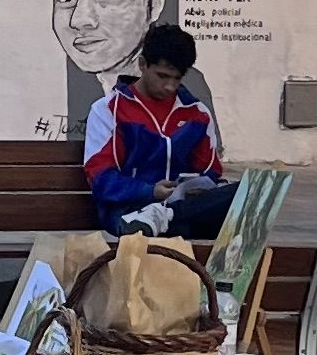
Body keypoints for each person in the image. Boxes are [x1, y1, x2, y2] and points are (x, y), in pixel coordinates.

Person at [85, 20, 232, 237]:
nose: (170, 86)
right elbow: (102, 179)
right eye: (163, 76)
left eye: (177, 78)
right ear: (143, 64)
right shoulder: (109, 110)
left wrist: (197, 187)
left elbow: (210, 172)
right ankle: (163, 217)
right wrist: (150, 191)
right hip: (127, 212)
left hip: (183, 209)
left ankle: (167, 216)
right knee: (188, 225)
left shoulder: (197, 113)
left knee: (252, 193)